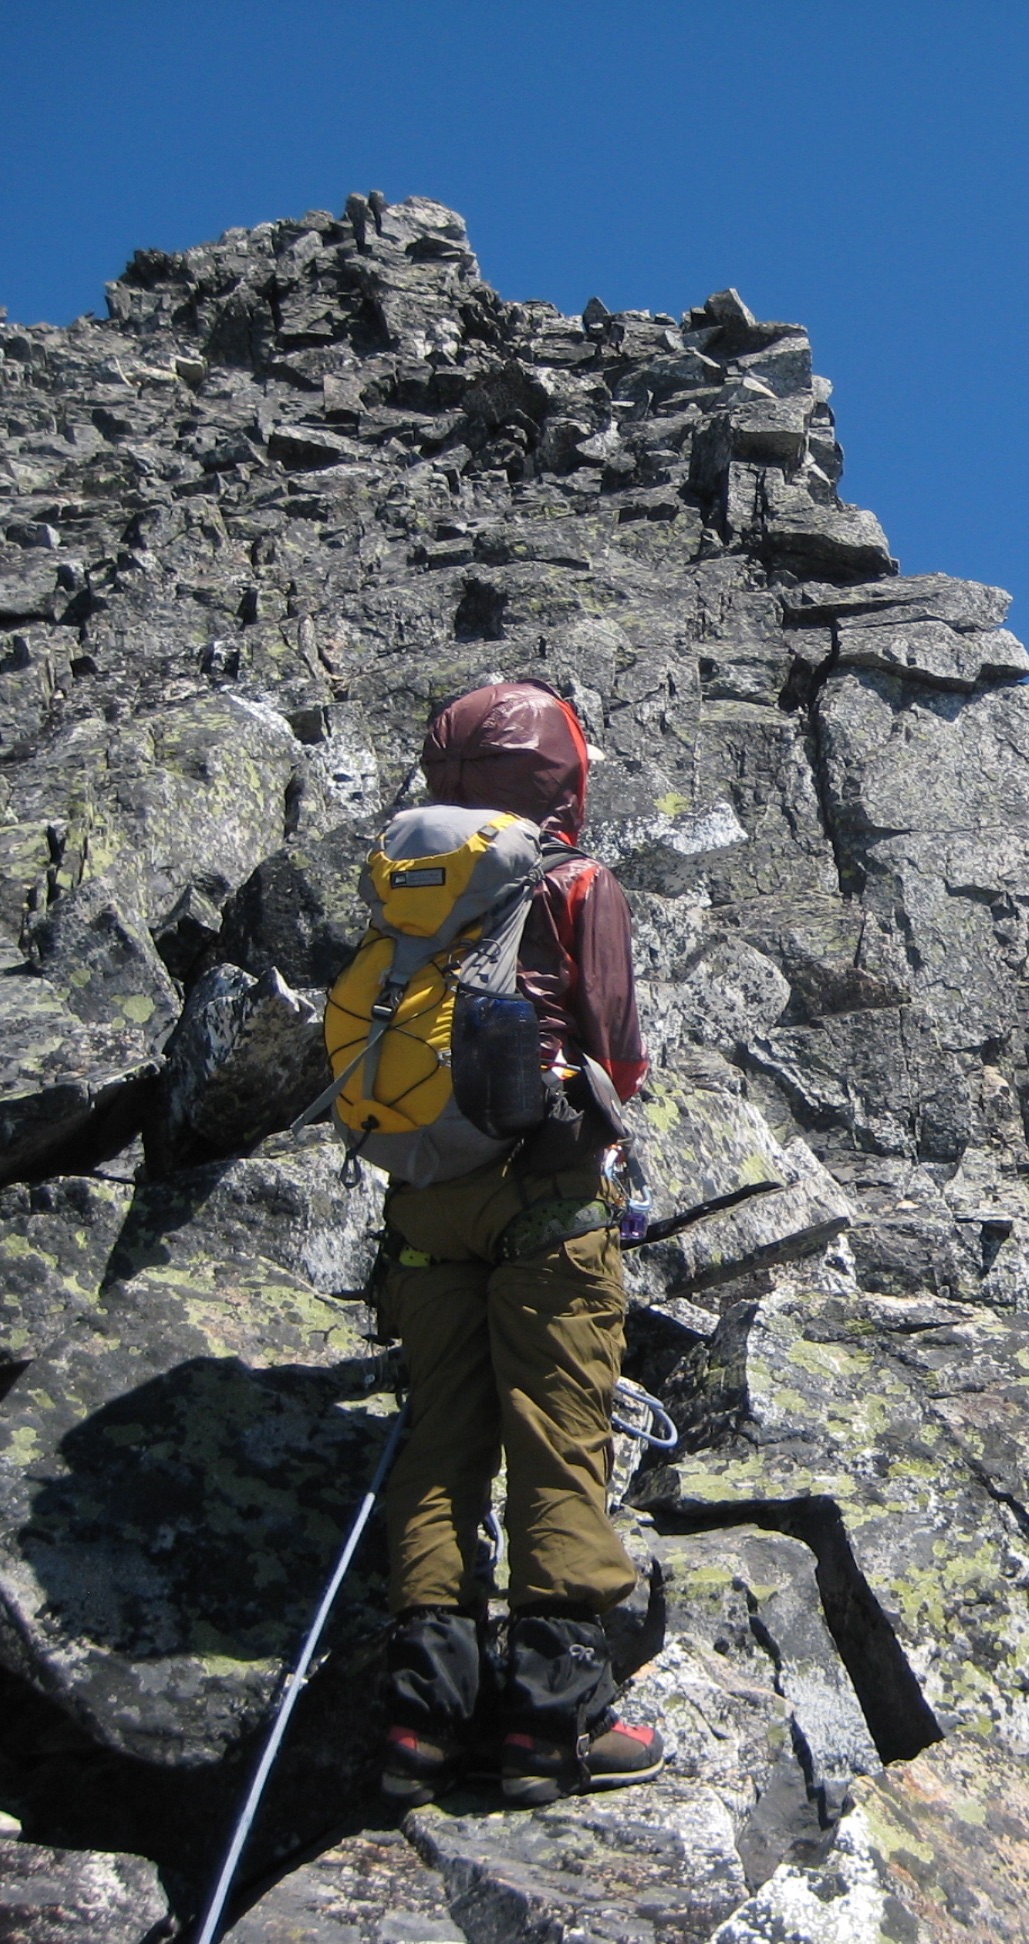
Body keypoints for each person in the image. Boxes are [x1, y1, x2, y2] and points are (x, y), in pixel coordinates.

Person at [372, 680, 660, 1809]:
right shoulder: (575, 882)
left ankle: (421, 1721)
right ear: (561, 775)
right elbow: (615, 1049)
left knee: (439, 1446)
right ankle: (555, 1720)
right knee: (557, 1443)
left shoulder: (406, 879)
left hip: (423, 1206)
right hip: (542, 1200)